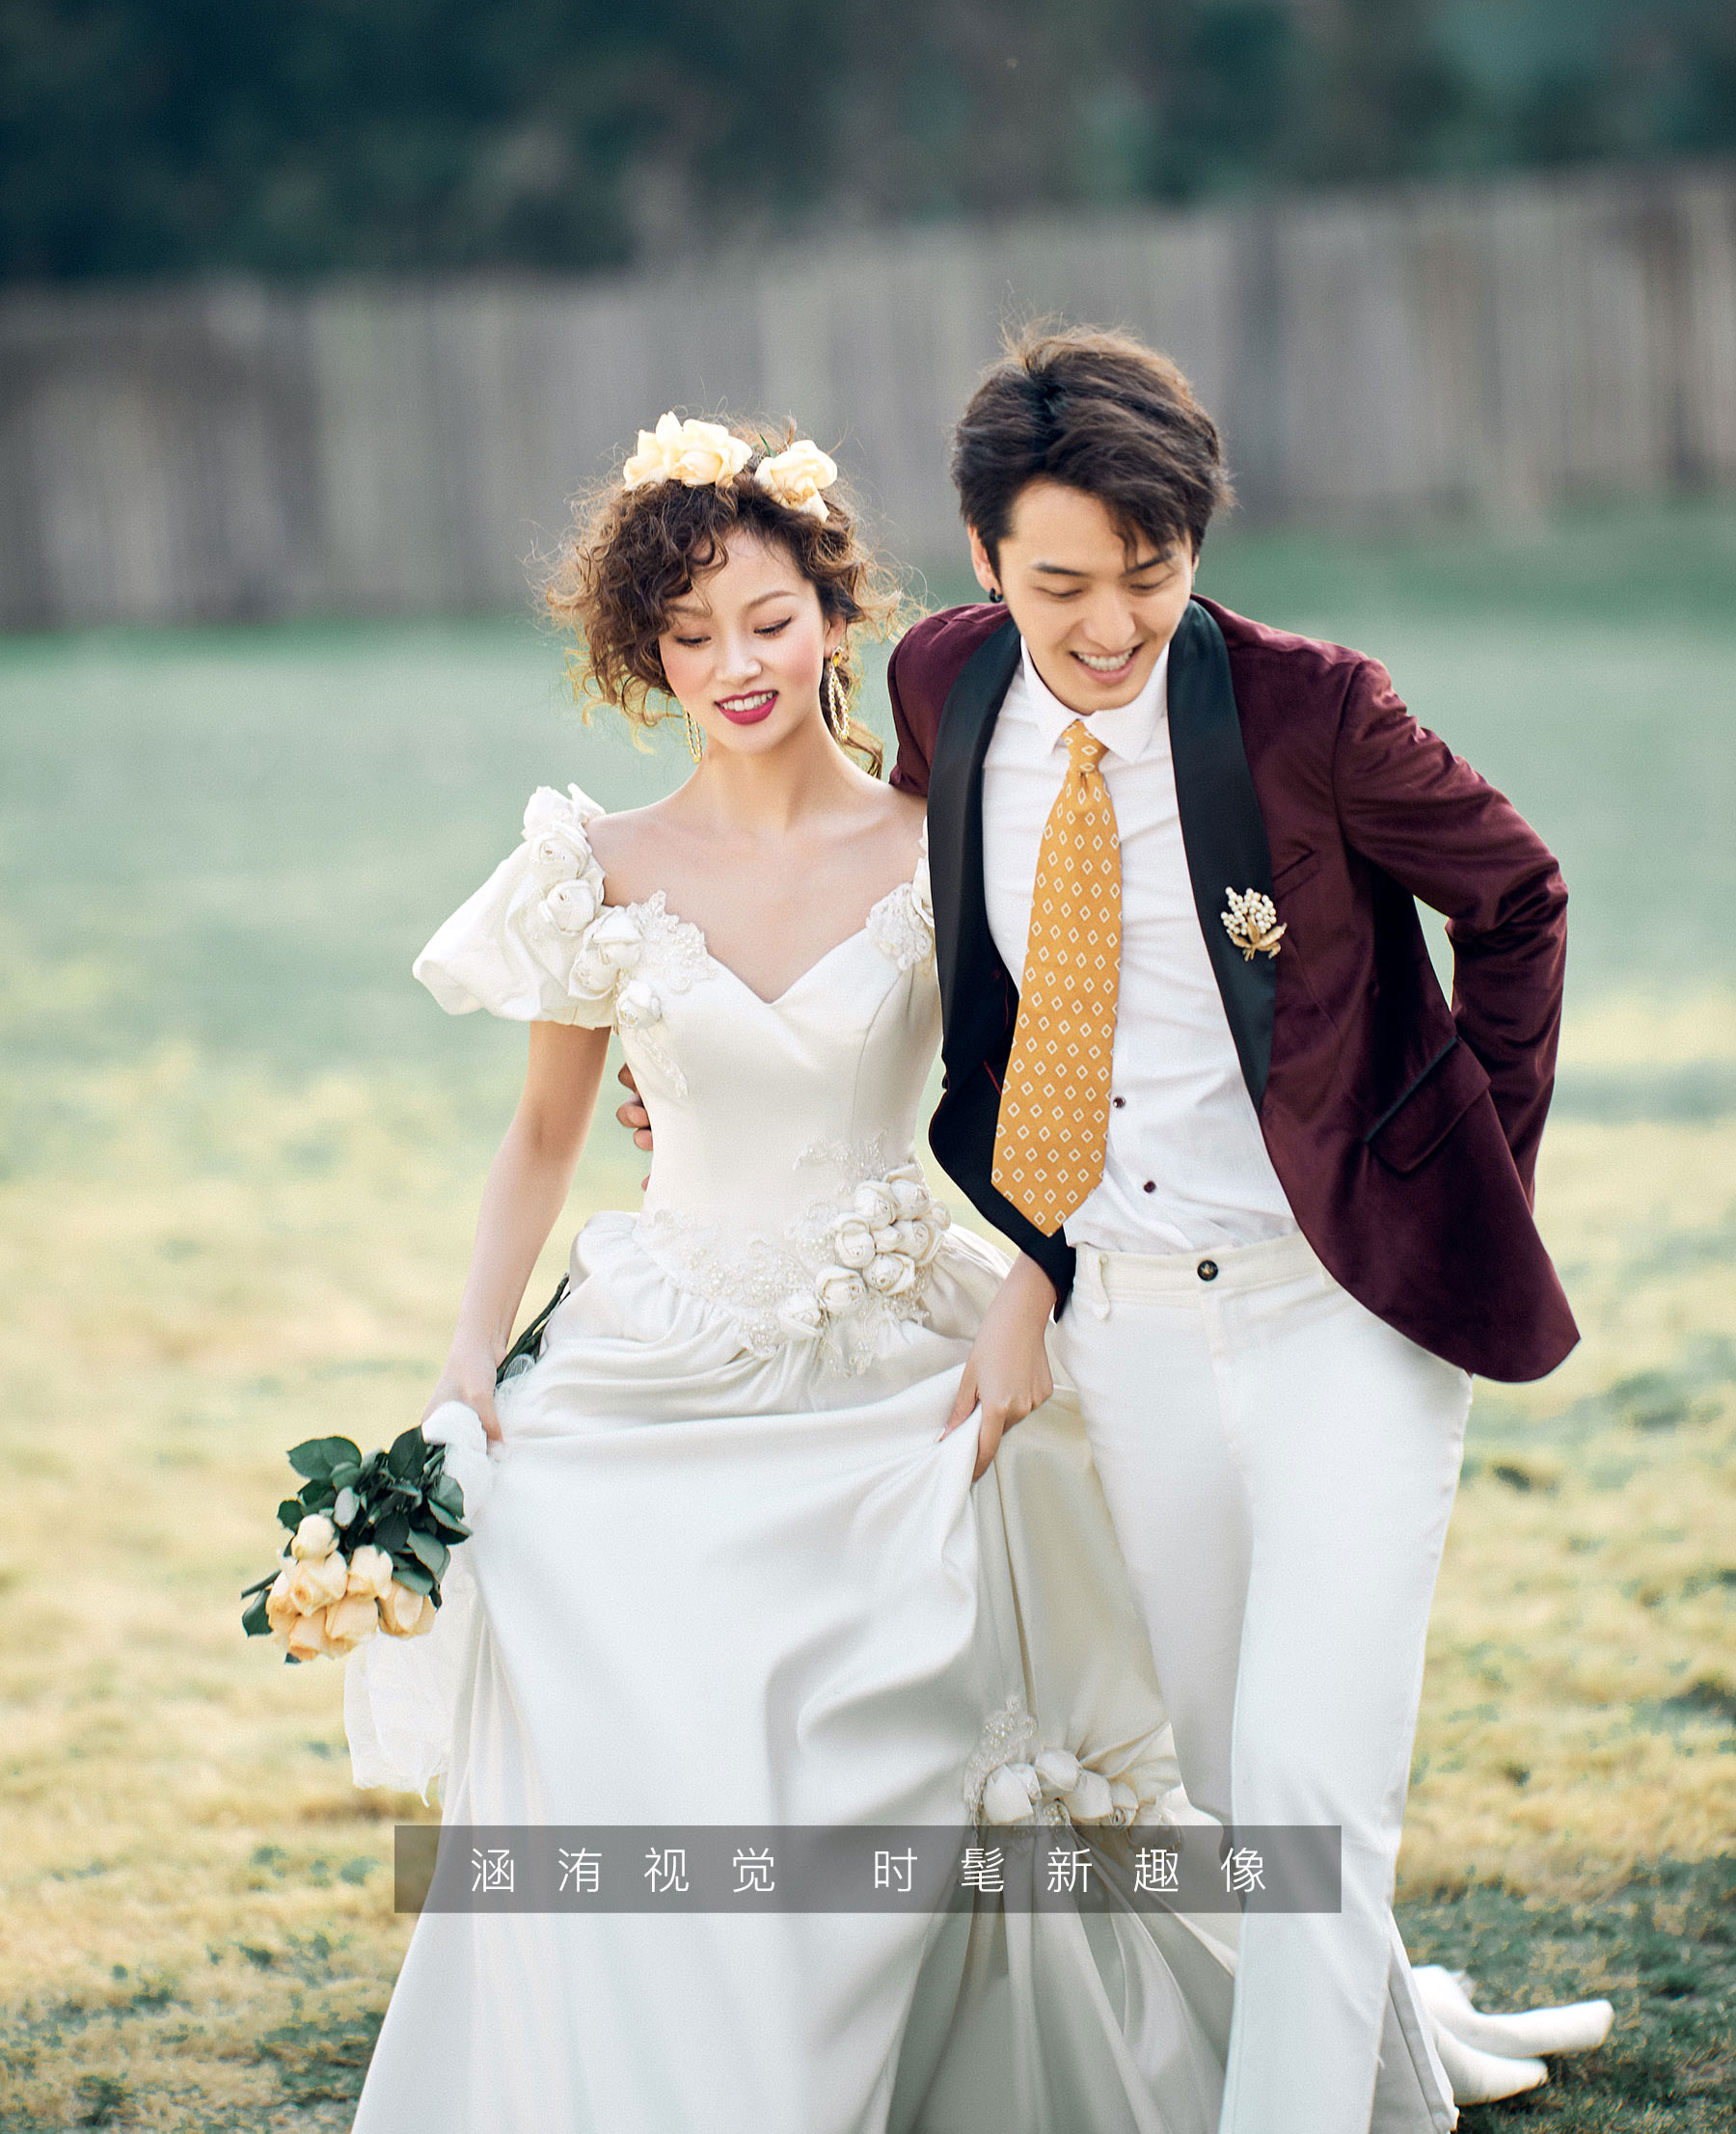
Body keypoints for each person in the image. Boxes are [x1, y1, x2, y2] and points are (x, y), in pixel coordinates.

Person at [341, 411, 1248, 2134]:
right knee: (581, 1624)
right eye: (690, 637)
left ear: (835, 614)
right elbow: (542, 1137)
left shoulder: (939, 839)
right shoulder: (597, 867)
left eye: (767, 619)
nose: (736, 665)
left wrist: (1030, 1290)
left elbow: (1059, 1081)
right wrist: (468, 1356)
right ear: (648, 660)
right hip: (663, 1347)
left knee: (932, 1708)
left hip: (902, 1349)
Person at [877, 324, 1614, 2131]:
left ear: (1195, 545)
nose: (1109, 625)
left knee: (1305, 1781)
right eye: (1060, 586)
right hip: (1122, 1316)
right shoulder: (938, 687)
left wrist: (1465, 1169)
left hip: (1338, 1308)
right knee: (1228, 1781)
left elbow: (1517, 898)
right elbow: (907, 934)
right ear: (982, 559)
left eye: (1150, 574)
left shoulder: (1313, 711)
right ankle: (1400, 2075)